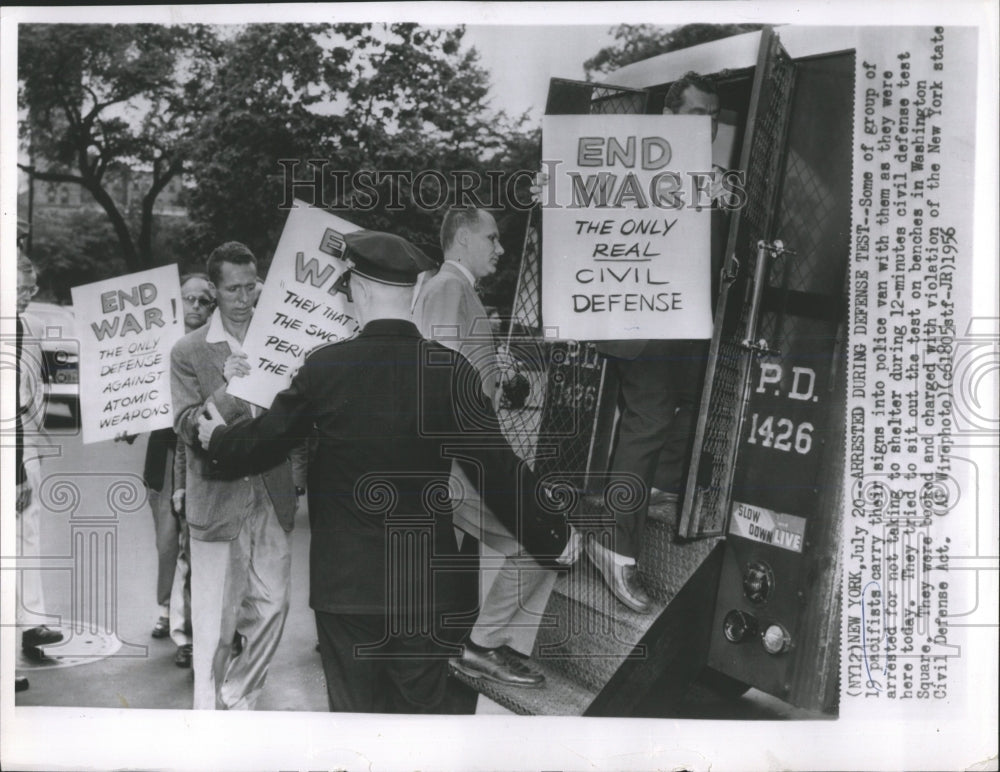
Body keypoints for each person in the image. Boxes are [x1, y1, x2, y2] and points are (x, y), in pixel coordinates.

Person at [197, 230, 579, 713]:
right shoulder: (452, 371)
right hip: (423, 592)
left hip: (346, 591)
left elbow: (265, 442)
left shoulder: (324, 368)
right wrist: (553, 531)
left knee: (355, 725)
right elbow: (498, 469)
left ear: (356, 290)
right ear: (416, 292)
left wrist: (218, 440)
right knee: (418, 728)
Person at [589, 72, 727, 614]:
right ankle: (614, 548)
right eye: (697, 115)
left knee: (693, 407)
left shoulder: (710, 178)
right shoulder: (640, 163)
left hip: (688, 327)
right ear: (670, 116)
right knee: (647, 421)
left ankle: (651, 496)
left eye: (714, 118)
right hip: (643, 326)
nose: (708, 126)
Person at [412, 207, 559, 688]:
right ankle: (482, 647)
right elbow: (435, 378)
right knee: (540, 547)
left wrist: (496, 374)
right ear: (461, 242)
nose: (500, 249)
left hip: (463, 458)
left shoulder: (456, 291)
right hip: (457, 462)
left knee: (534, 547)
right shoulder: (449, 288)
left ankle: (487, 644)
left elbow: (459, 372)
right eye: (492, 239)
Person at [170, 242, 304, 709]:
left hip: (270, 490)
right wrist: (228, 390)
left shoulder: (284, 338)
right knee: (216, 624)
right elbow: (187, 425)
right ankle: (207, 719)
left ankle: (236, 700)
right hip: (218, 497)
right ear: (214, 288)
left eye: (251, 287)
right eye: (232, 290)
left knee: (273, 606)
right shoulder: (188, 351)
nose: (244, 299)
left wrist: (299, 475)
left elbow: (300, 416)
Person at [143, 273, 215, 669]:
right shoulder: (156, 344)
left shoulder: (212, 346)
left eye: (204, 300)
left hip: (198, 454)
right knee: (168, 541)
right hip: (164, 454)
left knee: (194, 540)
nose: (196, 307)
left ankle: (188, 626)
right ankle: (165, 605)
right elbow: (136, 399)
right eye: (189, 299)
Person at [15, 250, 64, 690]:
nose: (25, 296)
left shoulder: (27, 327)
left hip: (26, 449)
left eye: (29, 289)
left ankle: (31, 624)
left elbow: (31, 394)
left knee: (28, 541)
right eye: (17, 289)